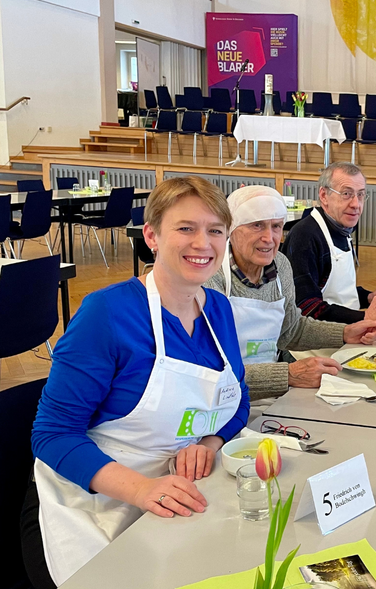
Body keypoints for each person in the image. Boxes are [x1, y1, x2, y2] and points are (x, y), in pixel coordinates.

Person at [23, 177, 250, 588]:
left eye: (216, 230)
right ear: (152, 235)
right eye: (186, 228)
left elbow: (238, 400)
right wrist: (143, 489)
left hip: (179, 492)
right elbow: (52, 435)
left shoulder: (218, 308)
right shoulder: (107, 314)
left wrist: (208, 443)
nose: (203, 243)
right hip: (93, 503)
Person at [205, 185, 376, 401]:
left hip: (272, 396)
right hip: (221, 403)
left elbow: (291, 330)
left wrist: (345, 333)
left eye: (276, 227)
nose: (269, 238)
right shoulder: (210, 277)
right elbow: (209, 372)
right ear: (230, 230)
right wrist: (288, 375)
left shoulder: (280, 266)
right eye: (257, 226)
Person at [282, 162, 376, 323]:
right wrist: (365, 317)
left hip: (345, 334)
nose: (356, 204)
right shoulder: (306, 236)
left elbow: (339, 294)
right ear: (324, 196)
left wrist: (370, 297)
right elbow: (306, 307)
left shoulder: (341, 228)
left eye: (360, 195)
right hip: (316, 346)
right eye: (346, 194)